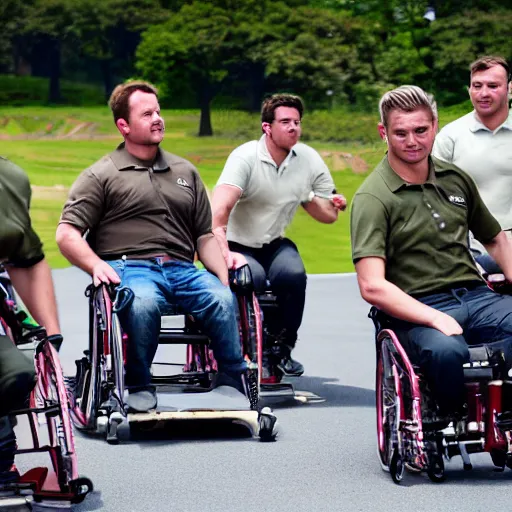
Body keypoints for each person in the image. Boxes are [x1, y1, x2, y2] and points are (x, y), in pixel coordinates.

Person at [56, 81, 248, 413]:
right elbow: (67, 233)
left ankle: (234, 380)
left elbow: (204, 235)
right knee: (142, 303)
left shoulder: (184, 170)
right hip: (130, 268)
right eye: (147, 114)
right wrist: (95, 265)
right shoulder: (101, 174)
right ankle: (138, 383)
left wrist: (221, 275)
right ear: (124, 125)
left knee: (222, 298)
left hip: (184, 269)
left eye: (158, 111)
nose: (157, 118)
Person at [351, 85, 512, 418]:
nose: (413, 141)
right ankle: (454, 414)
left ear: (435, 126)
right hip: (418, 307)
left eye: (421, 130)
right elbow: (371, 285)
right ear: (384, 133)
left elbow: (495, 238)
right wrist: (434, 317)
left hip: (475, 295)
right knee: (447, 352)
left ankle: (502, 412)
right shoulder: (373, 198)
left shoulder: (455, 179)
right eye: (401, 133)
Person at [211, 93, 346, 378]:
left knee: (293, 275)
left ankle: (282, 348)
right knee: (255, 278)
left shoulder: (308, 158)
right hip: (238, 244)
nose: (293, 127)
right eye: (285, 121)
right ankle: (252, 348)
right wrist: (222, 251)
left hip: (273, 243)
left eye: (297, 122)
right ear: (267, 127)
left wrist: (329, 203)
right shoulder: (245, 157)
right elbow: (219, 208)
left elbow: (327, 214)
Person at [0, 157, 62, 485]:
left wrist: (51, 331)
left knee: (18, 374)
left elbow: (27, 261)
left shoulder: (8, 179)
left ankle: (1, 465)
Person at [432, 56, 512, 273]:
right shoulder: (450, 136)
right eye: (477, 86)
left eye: (493, 86)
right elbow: (431, 197)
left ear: (509, 88)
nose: (483, 93)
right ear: (469, 90)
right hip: (469, 249)